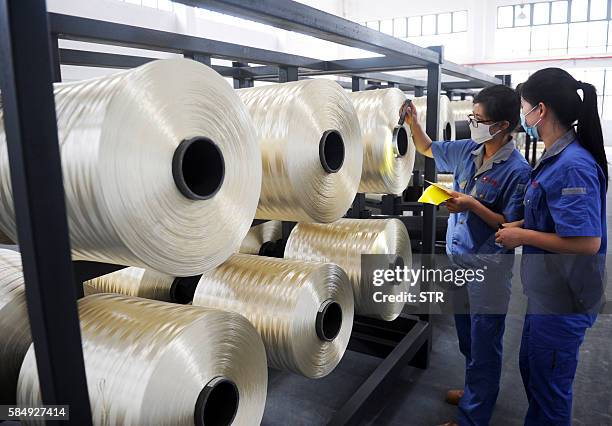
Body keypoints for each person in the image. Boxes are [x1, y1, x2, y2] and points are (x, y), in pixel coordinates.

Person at [404, 85, 531, 426]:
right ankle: (477, 389)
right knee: (468, 337)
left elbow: (509, 225)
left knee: (485, 341)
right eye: (472, 117)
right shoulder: (468, 150)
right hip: (458, 258)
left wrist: (472, 203)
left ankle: (473, 417)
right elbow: (428, 148)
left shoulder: (517, 171)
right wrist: (413, 122)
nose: (473, 123)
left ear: (502, 126)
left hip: (488, 266)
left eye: (480, 119)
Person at [496, 68, 607, 425]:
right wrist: (525, 223)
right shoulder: (556, 156)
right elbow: (557, 217)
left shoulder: (573, 165)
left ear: (540, 110)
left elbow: (588, 242)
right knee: (532, 368)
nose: (522, 116)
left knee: (550, 389)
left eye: (524, 107)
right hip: (547, 293)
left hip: (565, 300)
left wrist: (522, 237)